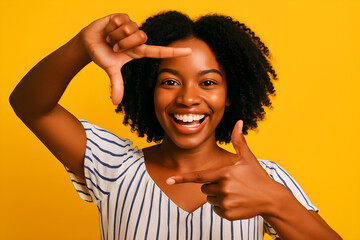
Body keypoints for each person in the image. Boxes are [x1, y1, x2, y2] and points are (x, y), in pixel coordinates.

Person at [10, 11, 341, 240]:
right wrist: (82, 45)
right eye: (170, 82)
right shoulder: (113, 167)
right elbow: (30, 106)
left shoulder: (262, 178)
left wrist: (273, 200)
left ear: (231, 94)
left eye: (208, 83)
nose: (188, 98)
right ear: (148, 90)